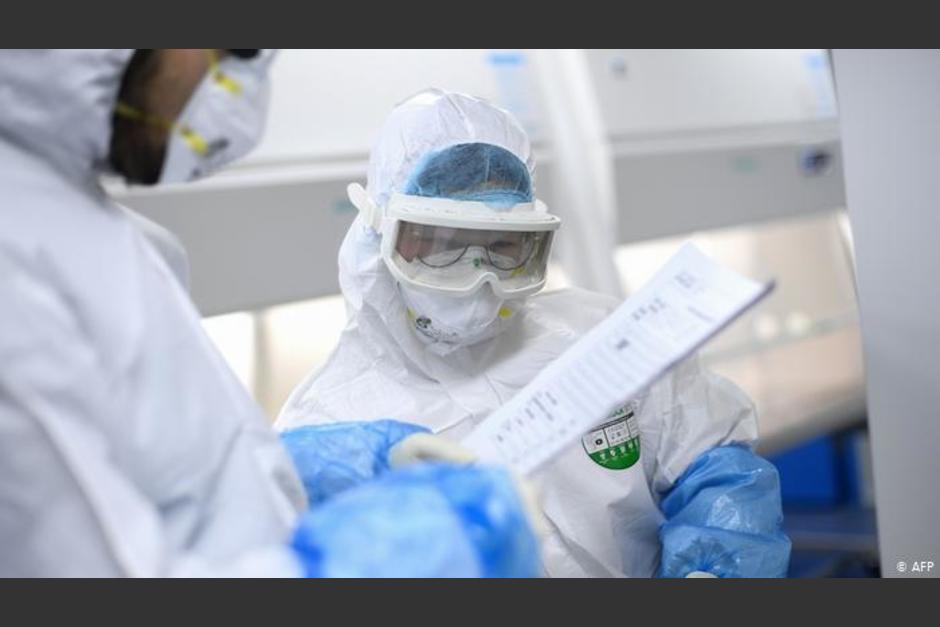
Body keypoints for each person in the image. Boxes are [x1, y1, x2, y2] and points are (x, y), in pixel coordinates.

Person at [0, 50, 539, 577]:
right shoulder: (19, 264)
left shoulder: (85, 222)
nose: (246, 91)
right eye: (238, 49)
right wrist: (357, 565)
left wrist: (283, 471)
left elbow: (144, 476)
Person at [277, 88, 792, 578]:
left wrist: (714, 565)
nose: (480, 278)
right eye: (439, 244)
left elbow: (713, 464)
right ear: (379, 233)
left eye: (505, 247)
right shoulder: (331, 430)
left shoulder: (603, 336)